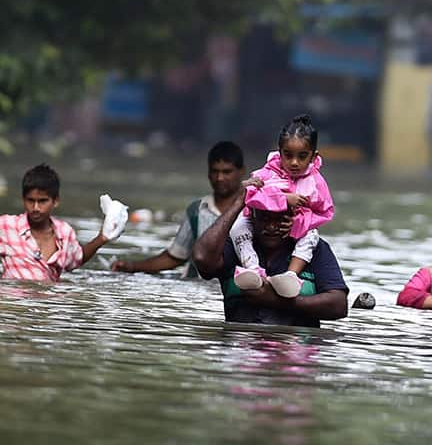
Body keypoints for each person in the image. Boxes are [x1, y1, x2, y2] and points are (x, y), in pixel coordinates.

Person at [192, 186, 348, 326]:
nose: (272, 227)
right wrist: (238, 202)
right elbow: (202, 259)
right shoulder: (236, 244)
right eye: (264, 218)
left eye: (280, 219)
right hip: (241, 352)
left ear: (292, 216)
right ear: (252, 216)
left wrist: (275, 300)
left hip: (294, 355)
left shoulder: (314, 248)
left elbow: (338, 305)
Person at [232, 114, 335, 298]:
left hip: (296, 231)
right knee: (238, 227)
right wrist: (283, 198)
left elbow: (324, 213)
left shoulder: (316, 183)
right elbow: (250, 196)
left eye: (302, 156)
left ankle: (291, 275)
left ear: (313, 155)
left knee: (312, 235)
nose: (294, 162)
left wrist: (298, 222)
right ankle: (252, 268)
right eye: (288, 155)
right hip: (261, 227)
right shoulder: (267, 173)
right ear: (280, 153)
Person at [112, 141, 246, 277]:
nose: (220, 178)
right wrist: (132, 266)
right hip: (197, 288)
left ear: (241, 172)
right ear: (208, 173)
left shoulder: (252, 208)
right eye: (215, 171)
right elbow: (176, 256)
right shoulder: (197, 210)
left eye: (226, 172)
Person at [0, 164, 116, 281]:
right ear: (23, 199)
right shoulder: (7, 226)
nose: (35, 208)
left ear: (55, 201)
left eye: (42, 201)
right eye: (30, 200)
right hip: (13, 298)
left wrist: (101, 239)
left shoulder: (64, 232)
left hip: (51, 297)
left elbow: (77, 258)